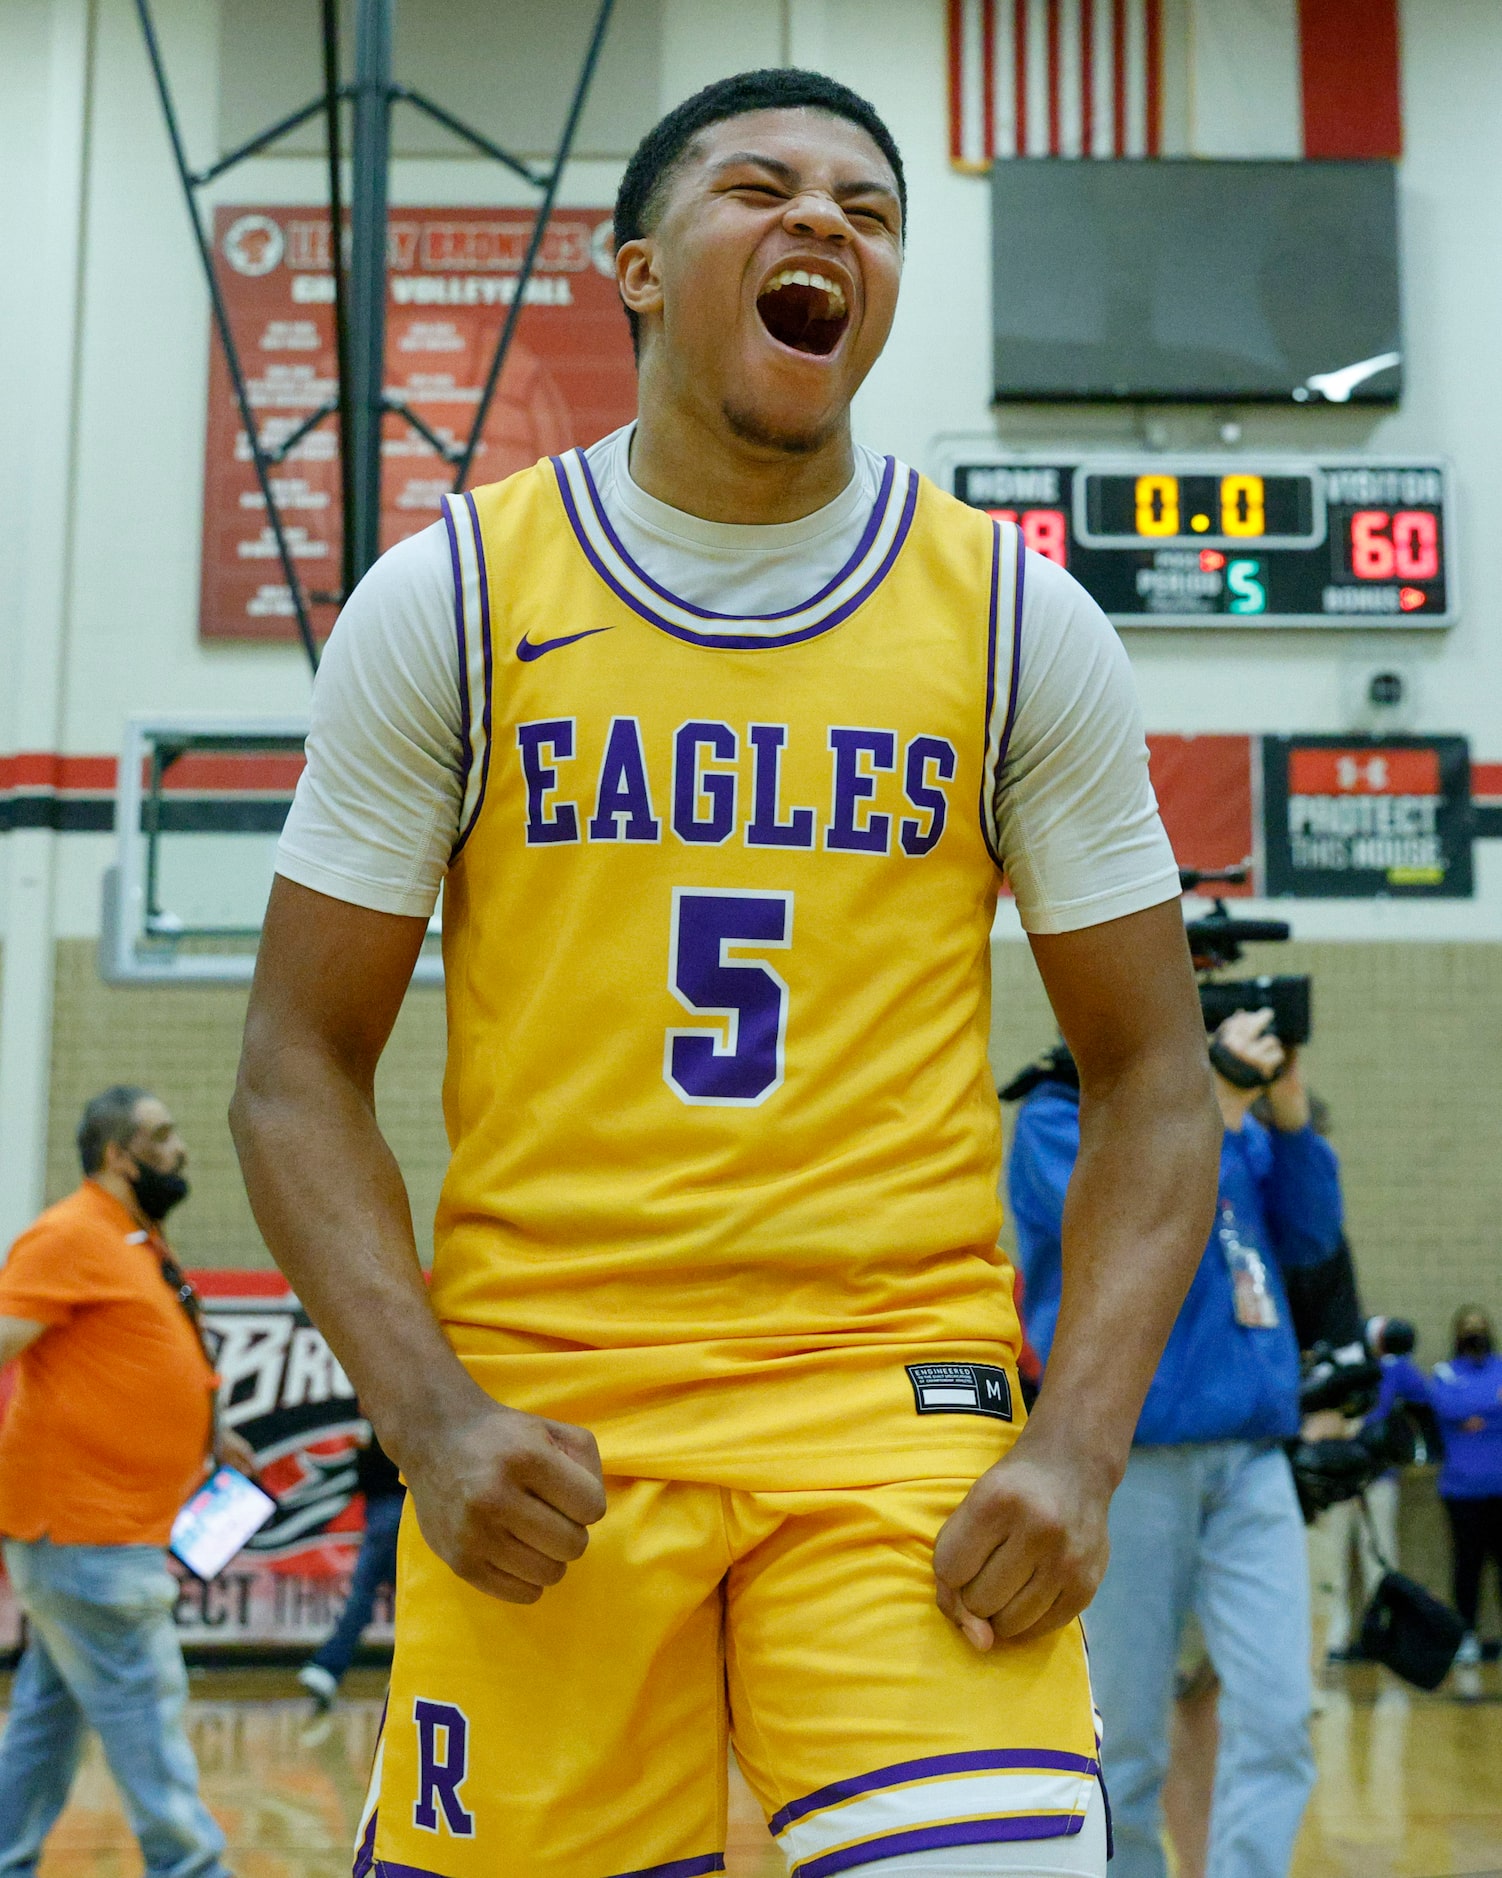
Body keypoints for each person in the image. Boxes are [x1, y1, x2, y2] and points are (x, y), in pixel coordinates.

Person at [231, 68, 1223, 1878]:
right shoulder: (453, 596)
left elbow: (1156, 1074)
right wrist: (426, 1414)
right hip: (547, 1409)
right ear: (630, 267)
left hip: (890, 1403)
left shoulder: (1011, 619)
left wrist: (1076, 1448)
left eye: (868, 206)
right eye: (759, 186)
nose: (822, 223)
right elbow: (296, 1061)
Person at [1008, 1007, 1343, 1878]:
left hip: (1253, 1460)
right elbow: (1152, 1256)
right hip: (1132, 1462)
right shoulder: (1053, 1117)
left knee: (1276, 1720)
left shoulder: (1232, 1118)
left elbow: (1310, 1239)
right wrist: (1218, 1118)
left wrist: (1290, 1118)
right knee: (1125, 1740)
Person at [0, 1085, 253, 1878]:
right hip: (88, 1537)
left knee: (46, 1723)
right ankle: (195, 1870)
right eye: (163, 1135)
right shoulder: (69, 1234)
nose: (181, 1149)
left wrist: (209, 1427)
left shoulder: (135, 1243)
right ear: (118, 1154)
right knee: (149, 1716)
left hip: (103, 1536)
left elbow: (137, 1362)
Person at [1385, 1305, 1502, 1667]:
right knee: (1467, 1565)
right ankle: (1465, 1634)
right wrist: (1492, 1408)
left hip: (1500, 1488)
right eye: (1467, 1327)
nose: (1474, 1332)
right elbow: (1447, 1406)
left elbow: (1466, 1408)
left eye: (1479, 1327)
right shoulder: (1445, 1373)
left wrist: (1476, 1413)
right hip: (1461, 1490)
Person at [298, 1425, 405, 1709]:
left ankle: (327, 1668)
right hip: (395, 1512)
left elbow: (371, 1474)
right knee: (407, 1599)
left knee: (364, 1594)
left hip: (391, 1512)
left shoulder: (387, 1418)